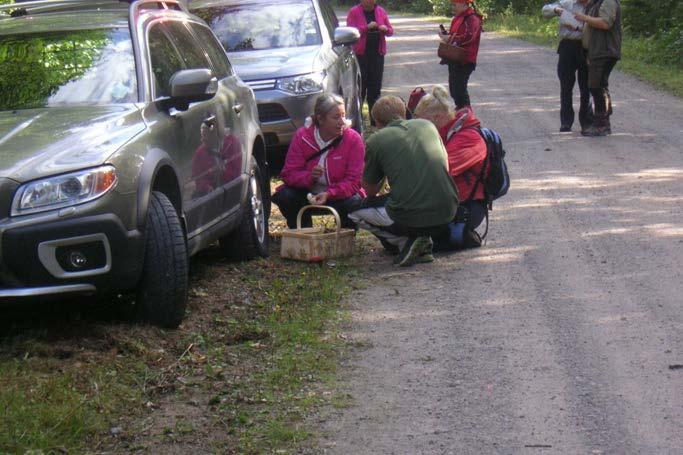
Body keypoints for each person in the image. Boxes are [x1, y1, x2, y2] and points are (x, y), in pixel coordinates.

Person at [349, 96, 459, 267]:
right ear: (404, 113)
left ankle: (405, 243)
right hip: (449, 210)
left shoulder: (376, 140)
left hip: (410, 215)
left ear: (377, 122)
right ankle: (420, 245)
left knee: (353, 210)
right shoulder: (427, 125)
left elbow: (370, 190)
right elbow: (445, 164)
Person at [272, 93, 365, 229]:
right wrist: (309, 177)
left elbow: (354, 181)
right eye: (336, 117)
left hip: (339, 196)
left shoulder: (353, 139)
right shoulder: (302, 137)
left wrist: (329, 193)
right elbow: (289, 173)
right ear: (320, 119)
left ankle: (345, 237)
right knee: (286, 196)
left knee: (354, 202)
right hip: (307, 194)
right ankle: (303, 234)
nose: (342, 121)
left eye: (343, 116)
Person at [413, 85, 486, 250]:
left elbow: (440, 171)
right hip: (447, 202)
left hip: (465, 207)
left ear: (437, 118)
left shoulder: (468, 138)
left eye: (420, 121)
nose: (417, 127)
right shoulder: (446, 134)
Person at [542, 0, 594, 133]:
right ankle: (566, 122)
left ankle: (586, 122)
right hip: (568, 45)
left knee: (587, 86)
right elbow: (545, 11)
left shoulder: (594, 5)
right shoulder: (567, 3)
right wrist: (556, 11)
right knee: (566, 85)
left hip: (587, 47)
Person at [575, 0, 622, 136]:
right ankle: (603, 121)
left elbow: (605, 23)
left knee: (596, 86)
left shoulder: (608, 2)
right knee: (599, 85)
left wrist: (584, 18)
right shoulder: (595, 3)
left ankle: (602, 124)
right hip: (597, 50)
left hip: (605, 50)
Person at [346, 0, 393, 125]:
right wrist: (367, 28)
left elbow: (390, 31)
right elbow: (350, 32)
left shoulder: (380, 11)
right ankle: (358, 120)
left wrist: (385, 29)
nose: (369, 1)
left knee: (375, 88)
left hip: (377, 55)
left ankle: (375, 120)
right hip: (361, 55)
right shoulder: (354, 12)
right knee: (360, 88)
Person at [442, 0, 482, 109]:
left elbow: (469, 37)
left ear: (464, 4)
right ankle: (461, 112)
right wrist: (447, 37)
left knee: (460, 90)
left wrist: (450, 38)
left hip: (465, 60)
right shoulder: (457, 18)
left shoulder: (473, 19)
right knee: (454, 91)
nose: (453, 7)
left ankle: (467, 116)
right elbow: (455, 36)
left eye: (455, 4)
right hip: (454, 58)